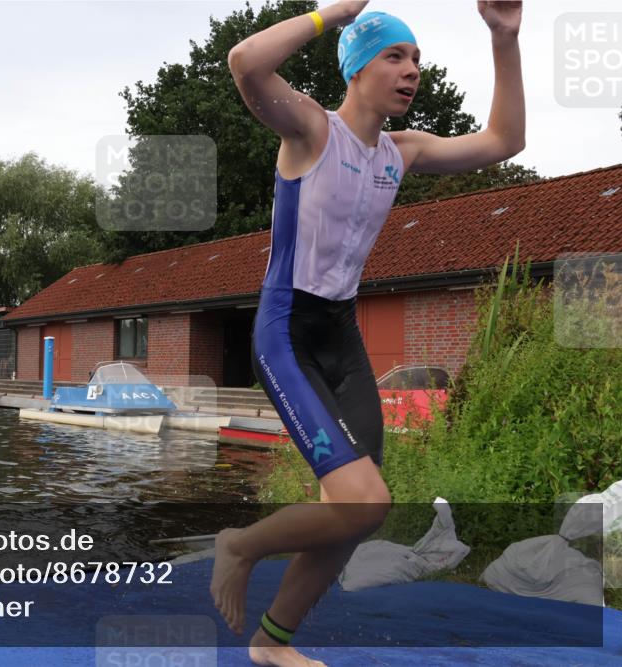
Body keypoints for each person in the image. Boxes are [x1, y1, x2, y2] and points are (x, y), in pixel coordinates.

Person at [211, 2, 524, 665]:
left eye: (417, 60)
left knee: (357, 513)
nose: (412, 71)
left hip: (342, 336)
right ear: (356, 67)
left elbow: (504, 141)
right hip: (287, 329)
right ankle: (240, 543)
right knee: (365, 501)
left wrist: (503, 38)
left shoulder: (400, 152)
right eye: (395, 56)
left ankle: (271, 644)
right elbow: (245, 63)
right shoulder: (309, 131)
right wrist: (335, 14)